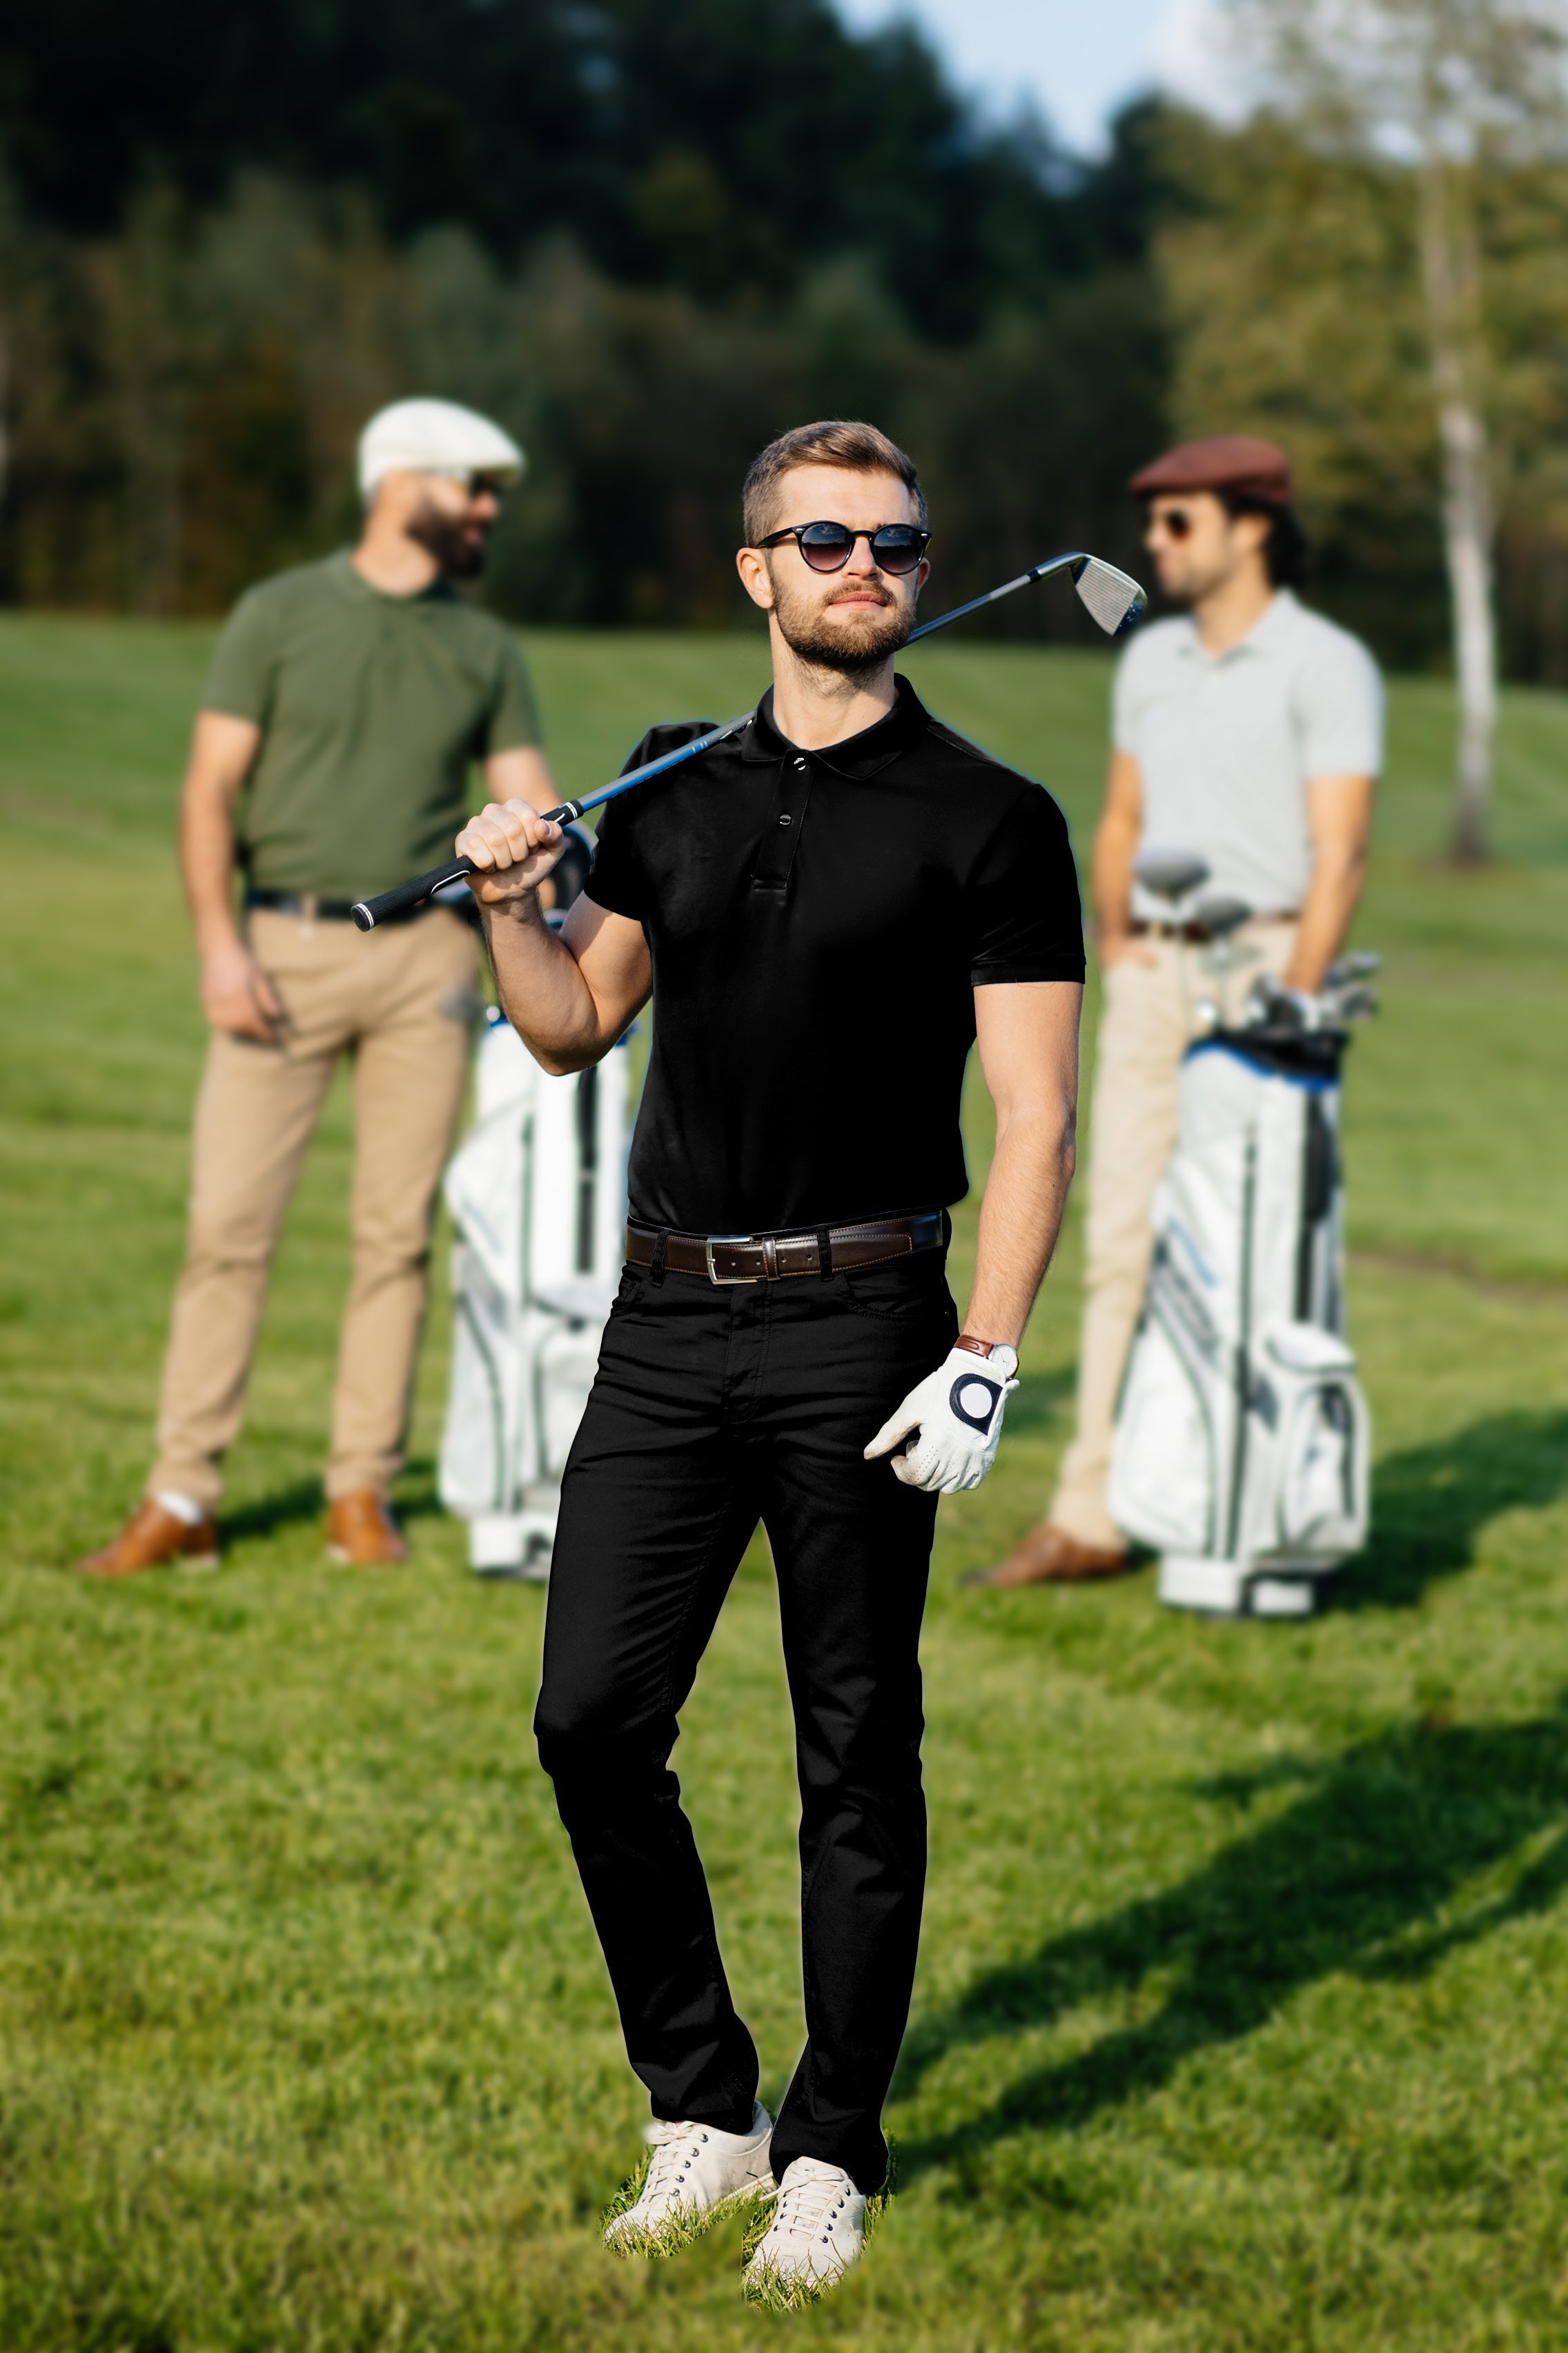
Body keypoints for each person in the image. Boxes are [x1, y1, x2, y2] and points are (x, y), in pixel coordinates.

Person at [453, 419, 1084, 2301]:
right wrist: (508, 902)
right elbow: (569, 1026)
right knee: (588, 1719)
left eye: (894, 540)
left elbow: (1038, 1112)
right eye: (823, 539)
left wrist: (986, 1353)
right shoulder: (670, 782)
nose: (863, 565)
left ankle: (829, 2151)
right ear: (757, 573)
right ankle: (702, 2107)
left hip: (866, 1321)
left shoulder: (993, 816)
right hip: (665, 1319)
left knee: (853, 1749)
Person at [77, 398, 557, 1577]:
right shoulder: (277, 614)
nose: (487, 510)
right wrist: (218, 947)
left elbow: (535, 802)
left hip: (429, 964)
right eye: (471, 486)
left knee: (395, 1237)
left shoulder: (485, 647)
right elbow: (209, 791)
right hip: (279, 950)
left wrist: (557, 862)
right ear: (399, 483)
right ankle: (183, 1494)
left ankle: (360, 1495)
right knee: (227, 1229)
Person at [976, 434, 1382, 1590]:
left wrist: (1294, 1000)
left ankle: (1251, 1505)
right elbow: (1122, 818)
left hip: (1268, 973)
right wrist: (1120, 940)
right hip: (1155, 975)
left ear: (1253, 526)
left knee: (1256, 1249)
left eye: (1179, 520)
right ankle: (1094, 1512)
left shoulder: (1327, 664)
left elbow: (1342, 854)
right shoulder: (1150, 660)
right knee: (1120, 1242)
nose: (1154, 542)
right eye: (1152, 521)